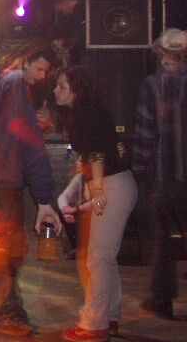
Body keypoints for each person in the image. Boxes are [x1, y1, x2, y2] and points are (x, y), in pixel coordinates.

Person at [132, 29, 187, 320]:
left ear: (161, 53)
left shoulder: (152, 84)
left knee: (160, 240)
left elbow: (145, 131)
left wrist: (140, 171)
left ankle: (162, 300)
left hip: (161, 176)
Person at [0, 40, 62, 337]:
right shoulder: (14, 81)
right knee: (7, 248)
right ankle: (1, 313)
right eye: (39, 69)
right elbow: (20, 137)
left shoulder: (4, 81)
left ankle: (6, 309)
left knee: (6, 247)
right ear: (25, 60)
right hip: (3, 179)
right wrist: (44, 196)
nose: (41, 76)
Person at [53, 66, 137, 342]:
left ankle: (94, 324)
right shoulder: (88, 112)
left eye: (62, 86)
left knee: (97, 257)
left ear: (76, 88)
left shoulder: (86, 114)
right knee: (102, 256)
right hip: (117, 184)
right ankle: (108, 316)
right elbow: (113, 148)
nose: (56, 91)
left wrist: (98, 189)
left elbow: (97, 152)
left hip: (111, 186)